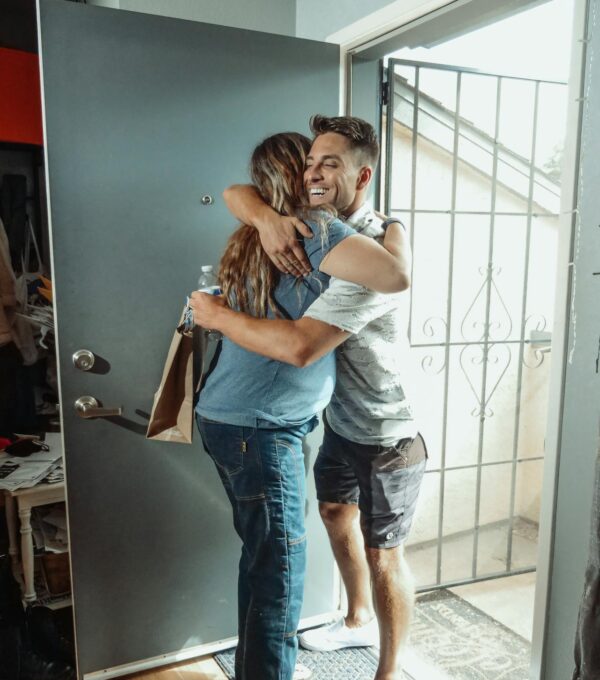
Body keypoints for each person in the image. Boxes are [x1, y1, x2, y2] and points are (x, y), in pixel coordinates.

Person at [190, 115, 426, 680]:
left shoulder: (275, 234)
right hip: (280, 424)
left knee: (284, 558)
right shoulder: (301, 229)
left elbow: (315, 335)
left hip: (371, 425)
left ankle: (377, 657)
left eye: (330, 163)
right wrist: (266, 215)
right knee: (279, 567)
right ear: (296, 178)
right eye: (310, 164)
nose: (317, 173)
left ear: (359, 175)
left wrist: (394, 224)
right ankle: (342, 625)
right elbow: (235, 194)